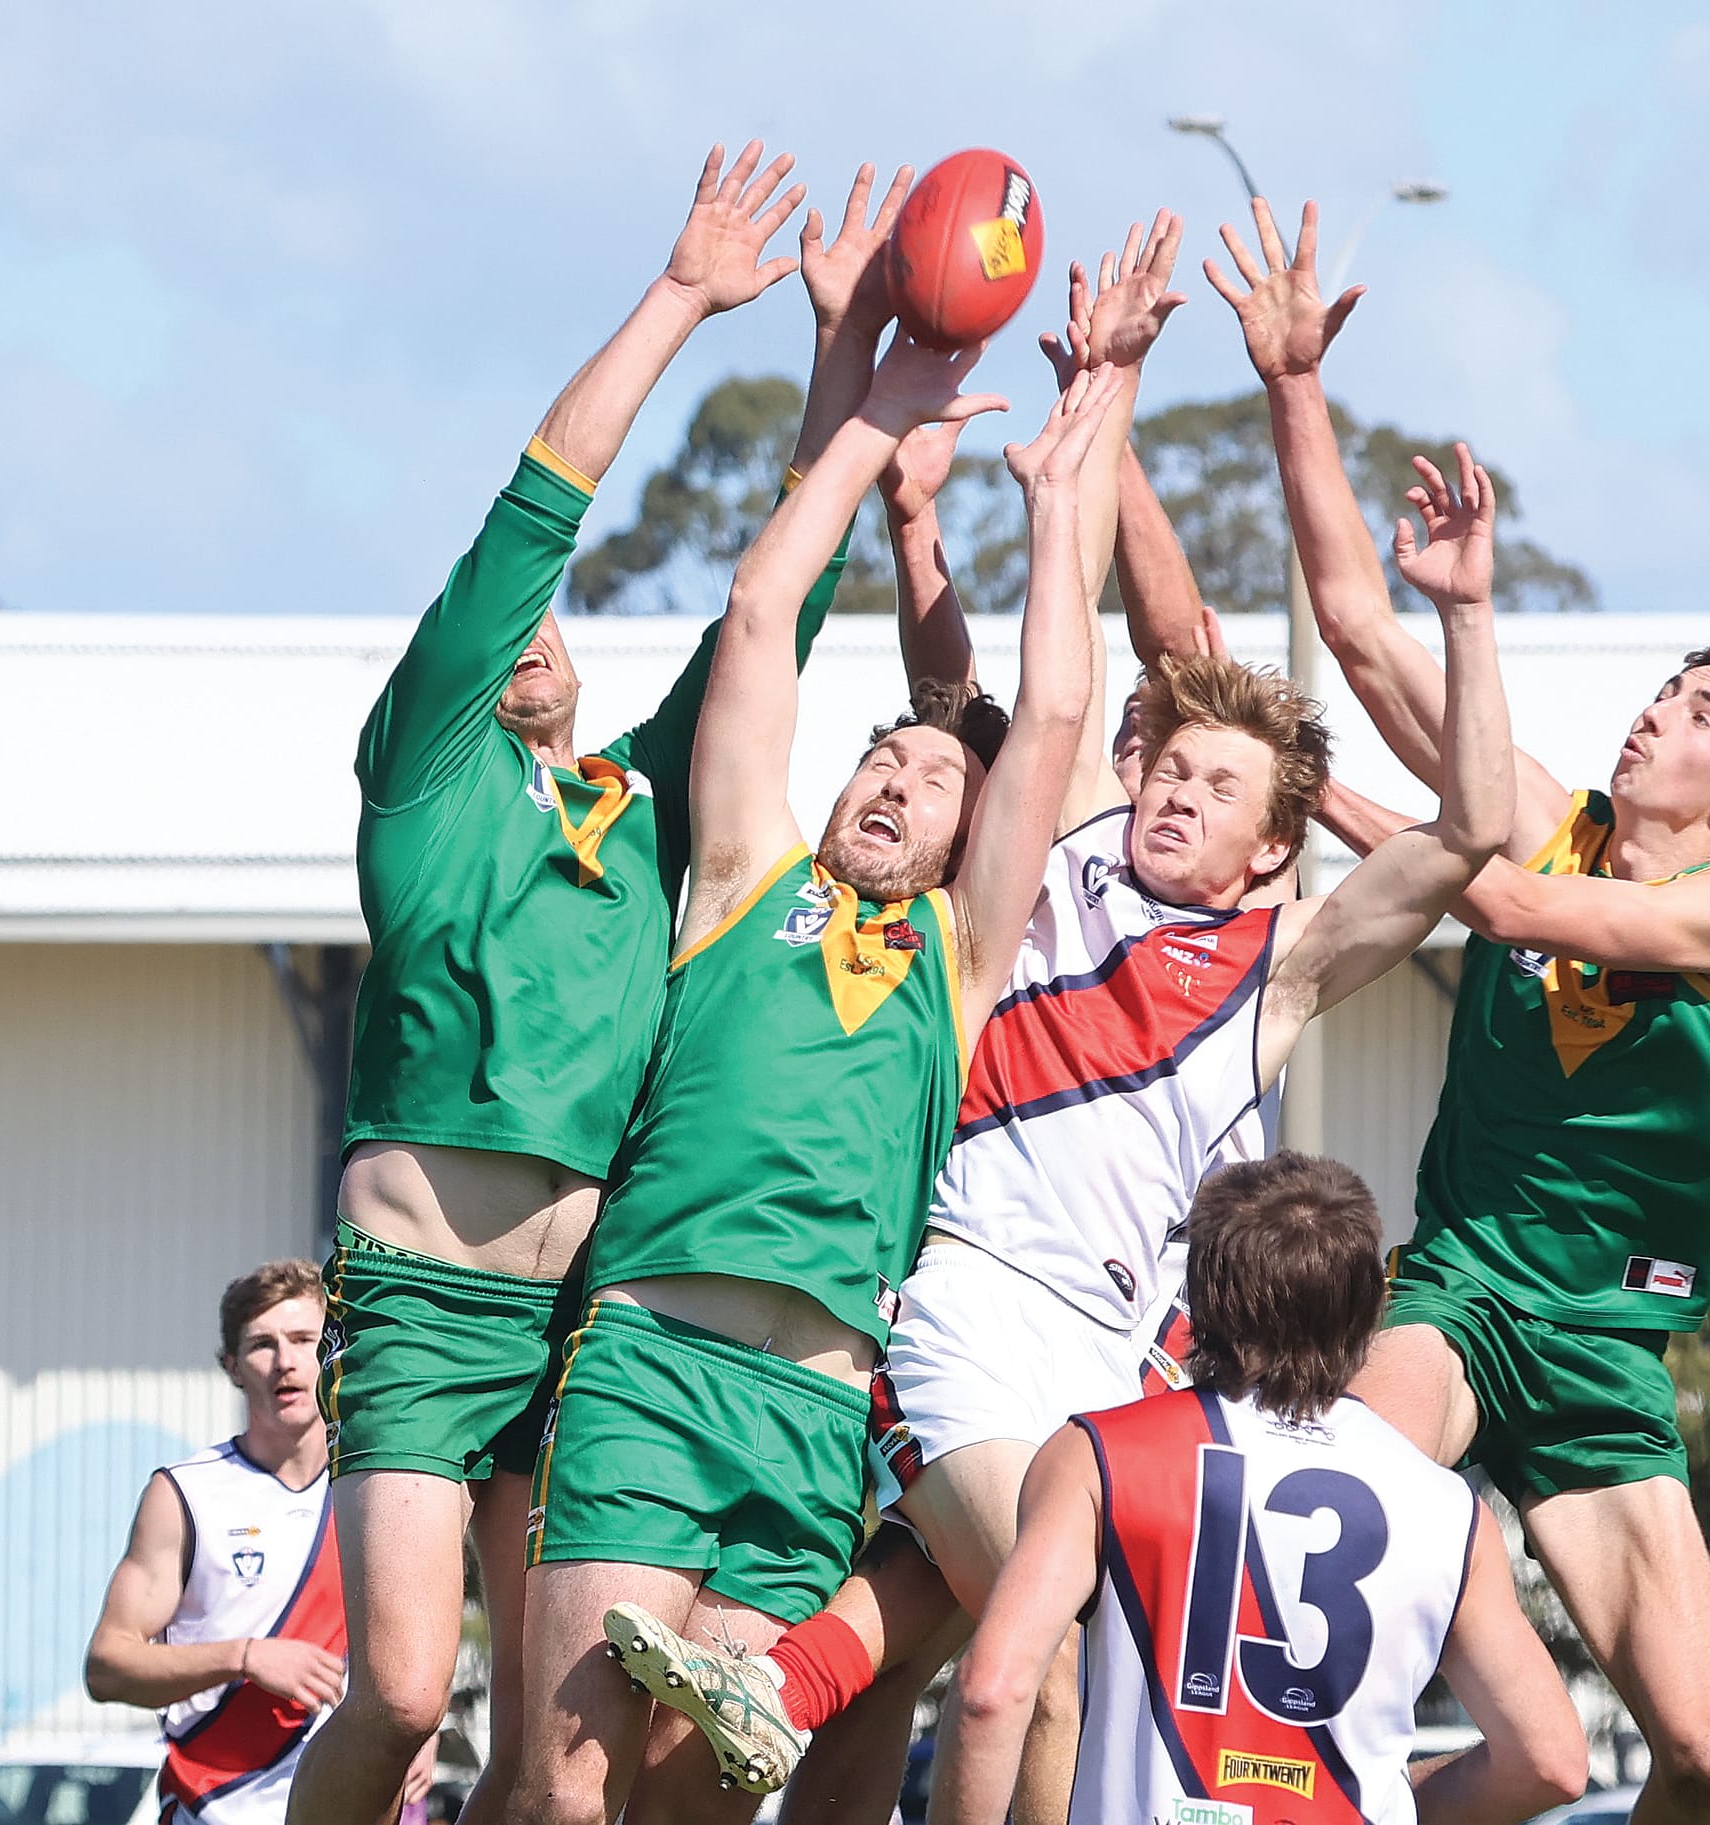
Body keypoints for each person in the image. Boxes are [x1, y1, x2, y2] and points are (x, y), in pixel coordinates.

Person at [629, 209, 1520, 1825]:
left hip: (1125, 1351)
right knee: (1048, 1648)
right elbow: (985, 699)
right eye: (1168, 765)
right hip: (966, 1300)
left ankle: (802, 1681)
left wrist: (1460, 613)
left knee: (996, 1675)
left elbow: (1470, 839)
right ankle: (800, 1679)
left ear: (1273, 842)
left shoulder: (1283, 959)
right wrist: (1075, 420)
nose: (1179, 793)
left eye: (1219, 786)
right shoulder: (1043, 863)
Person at [291, 142, 908, 1825]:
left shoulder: (650, 817)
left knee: (552, 1772)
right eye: (511, 621)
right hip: (426, 1305)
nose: (538, 622)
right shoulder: (429, 779)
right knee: (406, 1695)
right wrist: (687, 297)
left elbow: (775, 618)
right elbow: (534, 510)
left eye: (562, 613)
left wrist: (843, 358)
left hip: (589, 1328)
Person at [1214, 195, 1710, 1825]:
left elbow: (1502, 895)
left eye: (1699, 710)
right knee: (1332, 1494)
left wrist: (1440, 725)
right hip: (1468, 1290)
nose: (1659, 713)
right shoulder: (1541, 815)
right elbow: (1354, 623)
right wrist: (1294, 387)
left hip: (1611, 1350)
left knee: (1702, 1765)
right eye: (1663, 688)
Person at [502, 333, 1125, 1825]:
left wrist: (1051, 499)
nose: (894, 783)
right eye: (882, 761)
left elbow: (1047, 719)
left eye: (929, 779)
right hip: (654, 1363)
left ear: (969, 840)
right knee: (567, 1792)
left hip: (813, 1415)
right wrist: (872, 427)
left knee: (697, 1808)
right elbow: (761, 608)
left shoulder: (960, 961)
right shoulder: (742, 873)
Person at [929, 1153, 1588, 1825]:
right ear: (1369, 1312)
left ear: (1203, 1298)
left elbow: (992, 1693)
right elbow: (1551, 1760)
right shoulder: (1450, 1512)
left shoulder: (1098, 1454)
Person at [85, 1263, 431, 1824]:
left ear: (334, 1351)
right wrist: (243, 1656)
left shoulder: (383, 1491)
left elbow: (419, 1641)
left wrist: (423, 1724)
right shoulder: (185, 1493)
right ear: (232, 1368)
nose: (286, 1361)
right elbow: (106, 1667)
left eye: (303, 1340)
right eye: (262, 1345)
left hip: (356, 1803)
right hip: (217, 1808)